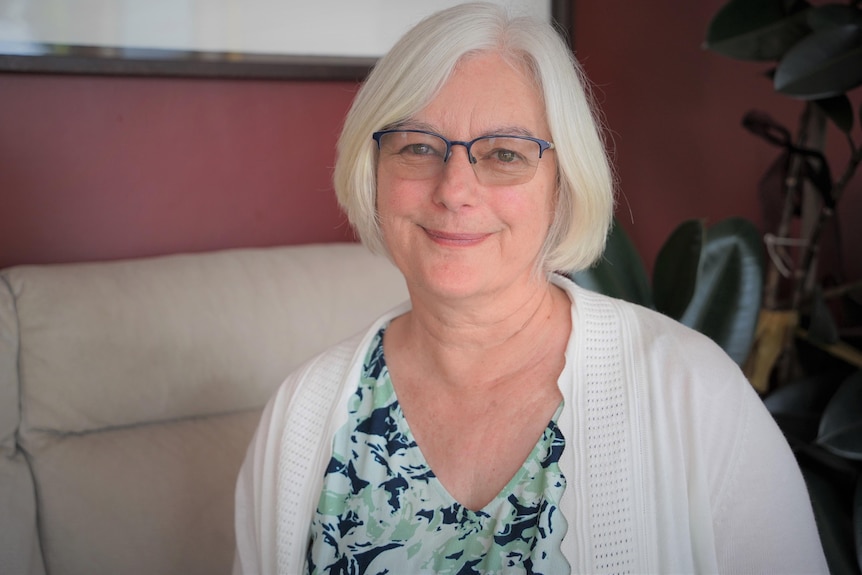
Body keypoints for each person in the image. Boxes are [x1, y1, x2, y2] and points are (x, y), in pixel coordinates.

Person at [233, 3, 828, 574]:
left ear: (563, 186)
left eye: (504, 154)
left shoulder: (693, 392)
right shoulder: (303, 413)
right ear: (374, 171)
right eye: (417, 146)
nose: (455, 190)